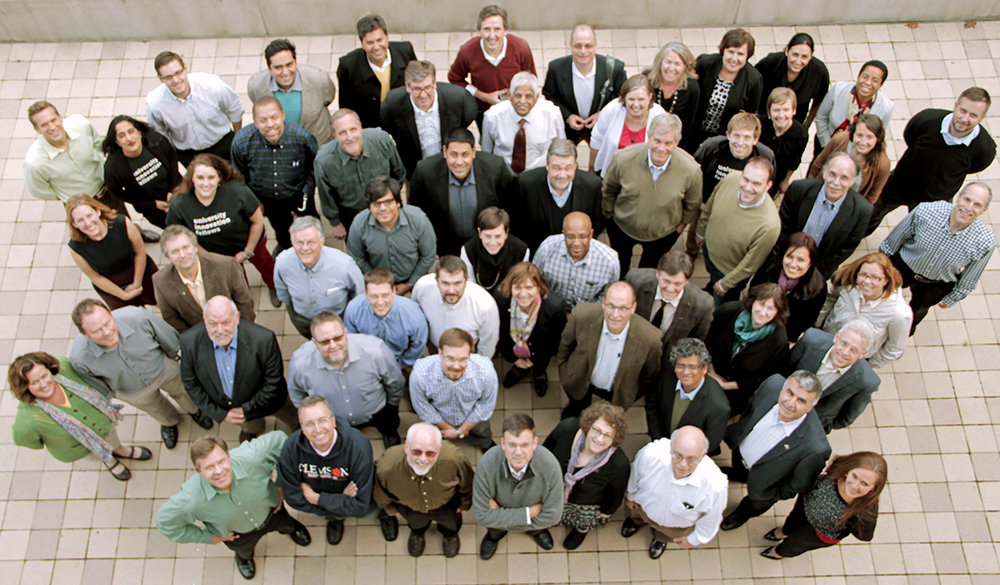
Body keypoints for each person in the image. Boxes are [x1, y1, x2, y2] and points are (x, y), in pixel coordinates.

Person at [156, 433, 311, 580]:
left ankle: (292, 529)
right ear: (198, 471)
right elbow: (165, 523)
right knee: (244, 550)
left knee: (286, 524)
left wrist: (281, 487)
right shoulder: (190, 499)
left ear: (229, 456)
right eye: (209, 467)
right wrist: (210, 538)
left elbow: (281, 441)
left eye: (221, 461)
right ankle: (244, 558)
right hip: (237, 535)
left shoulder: (252, 457)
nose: (219, 471)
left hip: (273, 511)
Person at [69, 299, 212, 449]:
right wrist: (114, 393)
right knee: (154, 408)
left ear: (111, 314)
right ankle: (169, 422)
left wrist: (173, 357)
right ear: (84, 334)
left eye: (107, 323)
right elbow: (96, 384)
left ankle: (195, 411)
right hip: (131, 388)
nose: (106, 332)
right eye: (97, 331)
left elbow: (167, 335)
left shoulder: (137, 316)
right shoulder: (80, 358)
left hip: (162, 368)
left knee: (183, 390)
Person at [867, 87, 996, 234]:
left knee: (921, 234)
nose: (965, 119)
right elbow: (910, 135)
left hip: (935, 201)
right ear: (955, 105)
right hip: (900, 182)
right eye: (963, 111)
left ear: (982, 117)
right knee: (871, 214)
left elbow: (976, 166)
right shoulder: (928, 120)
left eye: (973, 115)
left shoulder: (984, 148)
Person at [10, 352, 152, 482]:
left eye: (44, 376)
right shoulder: (28, 420)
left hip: (103, 424)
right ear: (24, 386)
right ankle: (110, 461)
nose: (43, 384)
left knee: (112, 438)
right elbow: (25, 440)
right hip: (81, 447)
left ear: (49, 369)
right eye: (34, 382)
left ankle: (120, 450)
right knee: (95, 454)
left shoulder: (64, 367)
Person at [278, 395, 399, 546]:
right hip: (330, 507)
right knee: (334, 515)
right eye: (309, 424)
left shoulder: (358, 446)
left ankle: (383, 516)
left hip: (338, 503)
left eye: (322, 420)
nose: (317, 429)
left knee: (370, 509)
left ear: (333, 421)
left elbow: (360, 503)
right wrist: (340, 502)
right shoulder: (291, 449)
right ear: (302, 428)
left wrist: (317, 499)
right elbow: (293, 499)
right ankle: (336, 520)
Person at [719, 371, 832, 530]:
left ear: (811, 406)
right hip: (741, 453)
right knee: (739, 469)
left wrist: (772, 494)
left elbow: (796, 484)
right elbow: (751, 407)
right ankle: (738, 474)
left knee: (755, 503)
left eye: (801, 400)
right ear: (783, 388)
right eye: (789, 393)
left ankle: (742, 513)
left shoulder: (815, 448)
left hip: (766, 485)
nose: (790, 403)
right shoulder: (772, 384)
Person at [179, 296, 299, 442]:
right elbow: (190, 384)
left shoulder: (263, 339)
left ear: (237, 318)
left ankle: (300, 432)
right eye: (212, 324)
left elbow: (273, 381)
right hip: (233, 411)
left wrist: (247, 409)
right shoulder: (189, 342)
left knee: (292, 417)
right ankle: (253, 430)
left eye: (226, 322)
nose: (220, 330)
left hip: (271, 401)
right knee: (250, 426)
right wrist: (221, 414)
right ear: (204, 320)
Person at [165, 153, 279, 307]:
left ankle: (274, 286)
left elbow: (257, 221)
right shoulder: (179, 204)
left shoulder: (237, 191)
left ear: (219, 177)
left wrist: (247, 252)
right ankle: (243, 295)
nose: (205, 183)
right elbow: (182, 236)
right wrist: (212, 259)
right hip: (217, 254)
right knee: (234, 277)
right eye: (200, 178)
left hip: (251, 242)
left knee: (264, 263)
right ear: (191, 178)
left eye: (211, 177)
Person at [880, 183, 996, 333]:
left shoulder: (985, 242)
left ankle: (902, 332)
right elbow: (895, 239)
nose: (968, 207)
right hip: (903, 267)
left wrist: (953, 298)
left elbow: (971, 276)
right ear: (959, 197)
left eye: (977, 205)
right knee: (882, 293)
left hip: (935, 284)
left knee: (916, 312)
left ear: (983, 210)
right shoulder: (927, 211)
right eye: (967, 199)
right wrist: (882, 263)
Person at [602, 113, 701, 276]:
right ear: (649, 137)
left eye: (668, 143)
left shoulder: (691, 170)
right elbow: (609, 189)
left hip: (662, 234)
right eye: (657, 141)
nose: (661, 148)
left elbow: (693, 203)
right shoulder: (622, 158)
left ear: (677, 143)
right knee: (619, 268)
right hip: (622, 227)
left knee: (647, 274)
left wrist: (679, 228)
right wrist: (608, 215)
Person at [287, 311, 404, 448]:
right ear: (314, 342)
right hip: (334, 420)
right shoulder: (300, 364)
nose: (333, 346)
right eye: (324, 341)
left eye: (337, 338)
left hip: (377, 412)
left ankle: (388, 433)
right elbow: (296, 393)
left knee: (388, 425)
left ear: (345, 333)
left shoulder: (376, 352)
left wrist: (392, 405)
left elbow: (395, 382)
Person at [556, 281, 663, 418]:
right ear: (603, 302)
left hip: (616, 392)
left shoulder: (651, 339)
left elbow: (649, 375)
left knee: (607, 421)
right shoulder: (581, 316)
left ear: (633, 308)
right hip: (580, 381)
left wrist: (630, 393)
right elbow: (565, 347)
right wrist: (565, 373)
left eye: (623, 308)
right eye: (611, 306)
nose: (615, 315)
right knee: (576, 408)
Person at [621, 426, 729, 557]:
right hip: (642, 507)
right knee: (637, 515)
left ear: (702, 456)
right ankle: (636, 522)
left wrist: (694, 539)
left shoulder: (715, 486)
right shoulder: (651, 454)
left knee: (664, 534)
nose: (683, 465)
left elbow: (712, 518)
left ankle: (660, 540)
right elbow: (635, 474)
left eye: (691, 459)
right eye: (678, 455)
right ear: (670, 447)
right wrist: (631, 495)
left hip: (673, 525)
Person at [230, 96, 320, 254]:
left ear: (283, 115)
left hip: (299, 193)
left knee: (310, 223)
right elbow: (239, 177)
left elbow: (315, 166)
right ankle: (286, 247)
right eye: (263, 120)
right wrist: (253, 202)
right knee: (280, 227)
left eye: (274, 117)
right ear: (255, 121)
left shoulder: (301, 137)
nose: (270, 124)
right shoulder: (242, 142)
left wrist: (306, 192)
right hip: (267, 199)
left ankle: (317, 247)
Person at [408, 128, 517, 256]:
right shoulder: (424, 171)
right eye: (453, 154)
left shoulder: (495, 167)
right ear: (445, 152)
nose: (459, 162)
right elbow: (416, 211)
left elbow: (510, 205)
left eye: (465, 154)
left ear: (474, 152)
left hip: (485, 243)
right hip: (446, 245)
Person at [373, 423, 475, 558]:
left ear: (439, 450)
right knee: (416, 524)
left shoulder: (454, 460)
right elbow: (381, 492)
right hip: (411, 508)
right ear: (406, 447)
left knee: (451, 524)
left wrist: (465, 503)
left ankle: (449, 535)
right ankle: (418, 534)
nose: (422, 459)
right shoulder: (387, 468)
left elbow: (467, 482)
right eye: (416, 452)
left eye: (430, 453)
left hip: (447, 505)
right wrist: (391, 509)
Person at [760, 451, 885, 559]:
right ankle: (783, 532)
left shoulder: (865, 512)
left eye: (864, 484)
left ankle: (778, 553)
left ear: (874, 488)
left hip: (819, 531)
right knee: (793, 519)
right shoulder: (838, 469)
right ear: (848, 469)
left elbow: (865, 536)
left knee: (796, 543)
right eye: (854, 476)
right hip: (806, 503)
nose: (854, 486)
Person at [473, 413, 563, 560]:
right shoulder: (486, 464)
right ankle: (494, 536)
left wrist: (500, 516)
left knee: (534, 527)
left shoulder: (550, 466)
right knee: (495, 530)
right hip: (512, 523)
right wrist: (529, 514)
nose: (518, 452)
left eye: (525, 445)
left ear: (534, 443)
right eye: (512, 444)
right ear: (502, 443)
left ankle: (535, 532)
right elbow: (481, 516)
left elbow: (553, 517)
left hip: (503, 519)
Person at [542, 401, 631, 550]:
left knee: (583, 520)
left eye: (608, 435)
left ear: (616, 439)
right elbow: (546, 450)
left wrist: (607, 511)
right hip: (555, 491)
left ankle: (580, 530)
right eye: (597, 430)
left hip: (585, 504)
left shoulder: (619, 464)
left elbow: (617, 492)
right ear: (588, 425)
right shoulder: (567, 428)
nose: (600, 439)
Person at [686, 112, 775, 258]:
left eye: (747, 137)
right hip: (706, 203)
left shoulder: (765, 157)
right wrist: (698, 201)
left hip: (739, 206)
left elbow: (767, 184)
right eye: (736, 136)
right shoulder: (711, 148)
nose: (740, 142)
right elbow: (693, 175)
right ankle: (691, 253)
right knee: (695, 229)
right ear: (728, 134)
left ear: (755, 139)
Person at [695, 157, 781, 303]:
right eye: (746, 179)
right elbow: (710, 205)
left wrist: (725, 284)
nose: (748, 188)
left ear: (768, 186)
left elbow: (750, 264)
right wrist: (700, 231)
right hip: (709, 253)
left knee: (720, 306)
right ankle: (710, 289)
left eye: (757, 184)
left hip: (727, 273)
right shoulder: (730, 179)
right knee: (711, 284)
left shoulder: (769, 225)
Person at [313, 109, 407, 240]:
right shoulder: (324, 160)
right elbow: (325, 195)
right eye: (342, 132)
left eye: (353, 129)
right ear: (334, 135)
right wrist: (335, 223)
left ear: (360, 128)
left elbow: (399, 172)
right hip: (351, 213)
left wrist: (393, 202)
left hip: (384, 206)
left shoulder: (382, 140)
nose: (350, 137)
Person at [779, 152, 873, 279]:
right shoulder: (798, 189)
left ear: (852, 181)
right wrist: (788, 258)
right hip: (785, 259)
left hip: (819, 269)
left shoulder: (862, 210)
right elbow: (783, 226)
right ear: (824, 173)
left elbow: (846, 248)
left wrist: (816, 272)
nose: (836, 182)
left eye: (844, 178)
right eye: (832, 174)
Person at [380, 59, 478, 179]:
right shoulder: (392, 103)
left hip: (450, 166)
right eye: (416, 89)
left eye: (427, 87)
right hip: (414, 168)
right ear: (407, 87)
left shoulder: (458, 98)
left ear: (434, 84)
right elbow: (388, 126)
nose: (423, 95)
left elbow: (467, 118)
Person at [152, 225, 256, 333]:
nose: (182, 255)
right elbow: (172, 320)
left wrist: (244, 332)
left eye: (185, 247)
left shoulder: (226, 266)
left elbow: (245, 303)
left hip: (235, 329)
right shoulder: (161, 282)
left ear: (195, 247)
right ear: (168, 256)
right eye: (175, 251)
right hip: (200, 337)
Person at [145, 51, 244, 165]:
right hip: (189, 154)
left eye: (178, 72)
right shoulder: (155, 104)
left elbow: (234, 108)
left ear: (185, 68)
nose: (176, 80)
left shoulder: (212, 85)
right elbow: (159, 134)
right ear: (160, 78)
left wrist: (237, 137)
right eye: (168, 77)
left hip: (223, 145)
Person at [705, 284, 791, 415]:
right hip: (707, 372)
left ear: (778, 311)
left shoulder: (779, 341)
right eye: (761, 304)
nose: (763, 312)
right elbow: (706, 338)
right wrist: (709, 368)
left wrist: (728, 385)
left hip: (736, 393)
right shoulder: (728, 311)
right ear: (752, 301)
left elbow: (764, 377)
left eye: (771, 308)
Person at [816, 253, 912, 368]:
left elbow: (894, 348)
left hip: (852, 359)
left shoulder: (899, 313)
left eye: (875, 277)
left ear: (886, 280)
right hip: (828, 339)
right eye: (863, 275)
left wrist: (868, 365)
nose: (866, 281)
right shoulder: (848, 283)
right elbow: (830, 300)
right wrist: (816, 326)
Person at [274, 216, 365, 338]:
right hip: (304, 321)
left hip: (339, 321)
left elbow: (359, 294)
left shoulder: (344, 265)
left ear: (322, 241)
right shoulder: (282, 263)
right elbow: (282, 291)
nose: (305, 248)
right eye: (299, 242)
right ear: (292, 241)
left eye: (311, 242)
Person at [410, 328, 498, 452]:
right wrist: (445, 427)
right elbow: (422, 406)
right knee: (435, 438)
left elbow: (485, 405)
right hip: (439, 417)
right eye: (450, 358)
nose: (456, 366)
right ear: (440, 353)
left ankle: (485, 444)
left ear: (470, 354)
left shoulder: (485, 371)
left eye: (463, 359)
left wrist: (460, 431)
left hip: (473, 417)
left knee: (482, 432)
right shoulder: (420, 374)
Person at [448, 5, 536, 127]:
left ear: (505, 30)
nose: (492, 36)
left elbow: (531, 78)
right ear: (479, 31)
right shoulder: (467, 51)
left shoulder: (521, 48)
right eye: (487, 29)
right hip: (483, 109)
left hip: (514, 108)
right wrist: (484, 96)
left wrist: (516, 95)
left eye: (497, 29)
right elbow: (455, 79)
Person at [346, 175, 436, 295]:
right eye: (376, 204)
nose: (382, 208)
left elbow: (428, 256)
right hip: (377, 283)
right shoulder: (359, 223)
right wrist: (376, 281)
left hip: (414, 279)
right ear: (369, 206)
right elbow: (357, 257)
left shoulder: (419, 220)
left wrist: (409, 284)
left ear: (398, 202)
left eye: (388, 202)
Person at [65, 194, 158, 310]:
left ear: (97, 211)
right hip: (114, 290)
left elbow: (139, 253)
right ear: (74, 224)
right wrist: (123, 295)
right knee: (133, 318)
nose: (88, 223)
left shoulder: (122, 223)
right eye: (80, 220)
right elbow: (96, 277)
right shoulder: (75, 248)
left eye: (89, 215)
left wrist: (137, 284)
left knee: (161, 301)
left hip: (142, 273)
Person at [784, 321, 881, 433]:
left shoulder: (867, 382)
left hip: (809, 426)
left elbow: (847, 417)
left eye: (854, 350)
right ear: (836, 337)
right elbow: (784, 370)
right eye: (844, 343)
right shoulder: (810, 340)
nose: (845, 352)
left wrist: (823, 427)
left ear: (862, 354)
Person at [513, 139, 604, 252]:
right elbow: (518, 226)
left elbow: (597, 224)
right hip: (537, 253)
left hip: (576, 253)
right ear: (547, 165)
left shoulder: (592, 185)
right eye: (556, 168)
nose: (562, 175)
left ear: (575, 166)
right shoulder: (526, 183)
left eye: (568, 168)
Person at [542, 24, 627, 144]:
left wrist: (602, 114)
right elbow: (550, 95)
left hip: (602, 126)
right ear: (570, 46)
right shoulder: (556, 68)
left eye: (588, 45)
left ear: (596, 46)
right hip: (569, 128)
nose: (583, 51)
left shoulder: (615, 69)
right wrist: (568, 116)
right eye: (578, 46)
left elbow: (621, 96)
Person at [492, 262, 567, 396]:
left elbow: (556, 339)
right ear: (510, 287)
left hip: (541, 353)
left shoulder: (555, 306)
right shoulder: (500, 298)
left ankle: (539, 373)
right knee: (518, 364)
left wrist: (535, 360)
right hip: (513, 350)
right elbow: (497, 331)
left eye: (529, 287)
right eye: (517, 287)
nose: (523, 294)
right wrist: (512, 358)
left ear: (538, 287)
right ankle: (519, 369)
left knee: (540, 366)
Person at [645, 338, 729, 453]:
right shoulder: (668, 372)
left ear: (704, 369)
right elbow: (652, 405)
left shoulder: (719, 407)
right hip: (660, 442)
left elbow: (709, 444)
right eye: (681, 366)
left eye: (692, 367)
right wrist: (659, 442)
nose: (685, 372)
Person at [247, 38, 337, 144]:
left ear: (296, 62)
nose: (285, 72)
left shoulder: (319, 79)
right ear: (269, 68)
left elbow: (328, 98)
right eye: (278, 67)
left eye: (289, 65)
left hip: (318, 141)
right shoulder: (256, 86)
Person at [625, 251, 714, 356]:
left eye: (678, 284)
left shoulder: (703, 305)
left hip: (667, 358)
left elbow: (697, 343)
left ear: (686, 282)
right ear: (658, 274)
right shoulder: (636, 281)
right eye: (666, 281)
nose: (670, 289)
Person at [337, 15, 417, 129]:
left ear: (387, 37)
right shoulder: (348, 66)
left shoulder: (405, 51)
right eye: (370, 42)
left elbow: (417, 81)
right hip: (370, 126)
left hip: (403, 121)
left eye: (379, 40)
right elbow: (346, 105)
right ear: (362, 44)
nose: (376, 47)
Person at [102, 114, 182, 228]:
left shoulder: (156, 141)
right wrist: (153, 205)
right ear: (117, 141)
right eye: (122, 135)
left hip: (179, 192)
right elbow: (117, 192)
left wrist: (173, 189)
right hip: (156, 211)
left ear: (139, 132)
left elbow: (172, 157)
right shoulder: (113, 168)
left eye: (131, 131)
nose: (129, 138)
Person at [412, 255, 501, 356]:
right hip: (435, 349)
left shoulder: (485, 305)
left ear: (466, 280)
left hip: (468, 353)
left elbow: (488, 343)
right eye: (445, 283)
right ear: (436, 280)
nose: (451, 290)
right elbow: (414, 318)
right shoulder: (422, 288)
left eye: (457, 283)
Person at [532, 212, 619, 311]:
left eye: (582, 236)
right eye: (570, 237)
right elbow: (534, 281)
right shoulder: (547, 248)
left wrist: (581, 316)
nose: (576, 243)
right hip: (551, 310)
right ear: (563, 233)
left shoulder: (609, 261)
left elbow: (608, 297)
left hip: (588, 315)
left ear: (591, 234)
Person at [344, 268, 429, 370]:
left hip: (402, 361)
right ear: (365, 293)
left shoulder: (414, 315)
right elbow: (352, 342)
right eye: (374, 296)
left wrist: (399, 366)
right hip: (366, 362)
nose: (380, 302)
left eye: (385, 295)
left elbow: (417, 346)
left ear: (393, 291)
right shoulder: (353, 309)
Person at [692, 29, 763, 148]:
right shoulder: (705, 63)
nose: (734, 58)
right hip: (693, 128)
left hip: (724, 137)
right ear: (723, 50)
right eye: (731, 51)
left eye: (740, 54)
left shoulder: (754, 79)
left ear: (747, 56)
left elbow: (750, 114)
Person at [482, 71, 565, 173]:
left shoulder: (552, 114)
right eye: (517, 95)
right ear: (509, 95)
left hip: (538, 176)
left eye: (528, 96)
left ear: (536, 97)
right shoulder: (492, 116)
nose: (522, 101)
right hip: (504, 176)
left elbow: (561, 150)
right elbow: (486, 154)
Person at [751, 232, 827, 341]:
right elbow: (752, 295)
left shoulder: (817, 288)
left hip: (781, 337)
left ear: (810, 263)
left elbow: (802, 325)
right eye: (790, 256)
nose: (793, 264)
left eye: (801, 260)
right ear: (782, 256)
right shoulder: (768, 268)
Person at [588, 75, 668, 177]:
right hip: (612, 173)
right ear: (624, 98)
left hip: (644, 176)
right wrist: (592, 167)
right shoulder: (611, 109)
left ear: (650, 97)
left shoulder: (659, 116)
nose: (636, 104)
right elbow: (597, 139)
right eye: (631, 99)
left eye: (641, 99)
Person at [23, 101, 105, 202]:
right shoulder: (35, 163)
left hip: (108, 189)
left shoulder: (80, 125)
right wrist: (66, 197)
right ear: (37, 129)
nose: (52, 127)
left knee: (122, 218)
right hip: (80, 205)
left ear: (60, 117)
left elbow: (96, 142)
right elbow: (38, 190)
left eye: (53, 120)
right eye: (44, 125)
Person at [808, 113, 890, 204]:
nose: (863, 142)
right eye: (859, 135)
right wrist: (809, 189)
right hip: (820, 194)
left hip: (847, 205)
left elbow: (872, 196)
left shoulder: (882, 164)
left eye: (869, 137)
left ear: (878, 139)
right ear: (853, 133)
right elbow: (819, 163)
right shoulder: (840, 140)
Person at [814, 60, 893, 152]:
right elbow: (821, 116)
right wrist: (827, 146)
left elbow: (878, 136)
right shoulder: (838, 89)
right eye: (865, 76)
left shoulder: (886, 107)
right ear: (858, 76)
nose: (867, 82)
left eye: (875, 80)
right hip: (826, 142)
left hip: (857, 152)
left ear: (880, 85)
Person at [755, 33, 830, 128]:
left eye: (804, 57)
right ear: (787, 51)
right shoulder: (770, 63)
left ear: (811, 56)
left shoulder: (819, 72)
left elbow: (819, 101)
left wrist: (806, 126)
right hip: (764, 117)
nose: (798, 61)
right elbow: (752, 84)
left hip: (795, 121)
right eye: (795, 54)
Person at [645, 42, 701, 150]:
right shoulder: (648, 80)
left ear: (685, 66)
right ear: (660, 62)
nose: (671, 68)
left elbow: (689, 126)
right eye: (668, 62)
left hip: (673, 144)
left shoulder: (692, 88)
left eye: (677, 64)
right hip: (647, 138)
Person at [460, 206, 529, 293]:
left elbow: (521, 284)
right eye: (487, 236)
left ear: (506, 233)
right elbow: (470, 286)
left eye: (498, 236)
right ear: (479, 233)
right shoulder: (468, 249)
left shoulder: (521, 250)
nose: (493, 242)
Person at [758, 88, 809, 197]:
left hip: (777, 175)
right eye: (776, 110)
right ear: (769, 111)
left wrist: (785, 181)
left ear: (794, 110)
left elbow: (794, 161)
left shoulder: (800, 135)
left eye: (786, 110)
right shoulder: (759, 124)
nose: (781, 115)